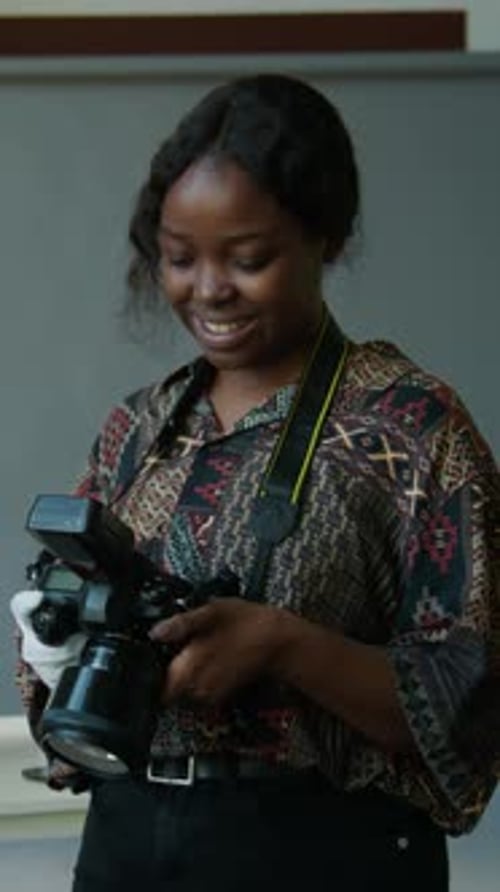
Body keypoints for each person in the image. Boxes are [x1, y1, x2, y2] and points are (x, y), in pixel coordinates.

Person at [11, 73, 499, 892]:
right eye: (179, 259)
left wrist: (282, 644)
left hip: (326, 853)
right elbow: (72, 692)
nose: (208, 290)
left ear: (327, 239)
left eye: (249, 258)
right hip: (127, 840)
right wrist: (57, 653)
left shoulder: (413, 427)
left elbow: (472, 696)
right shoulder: (138, 429)